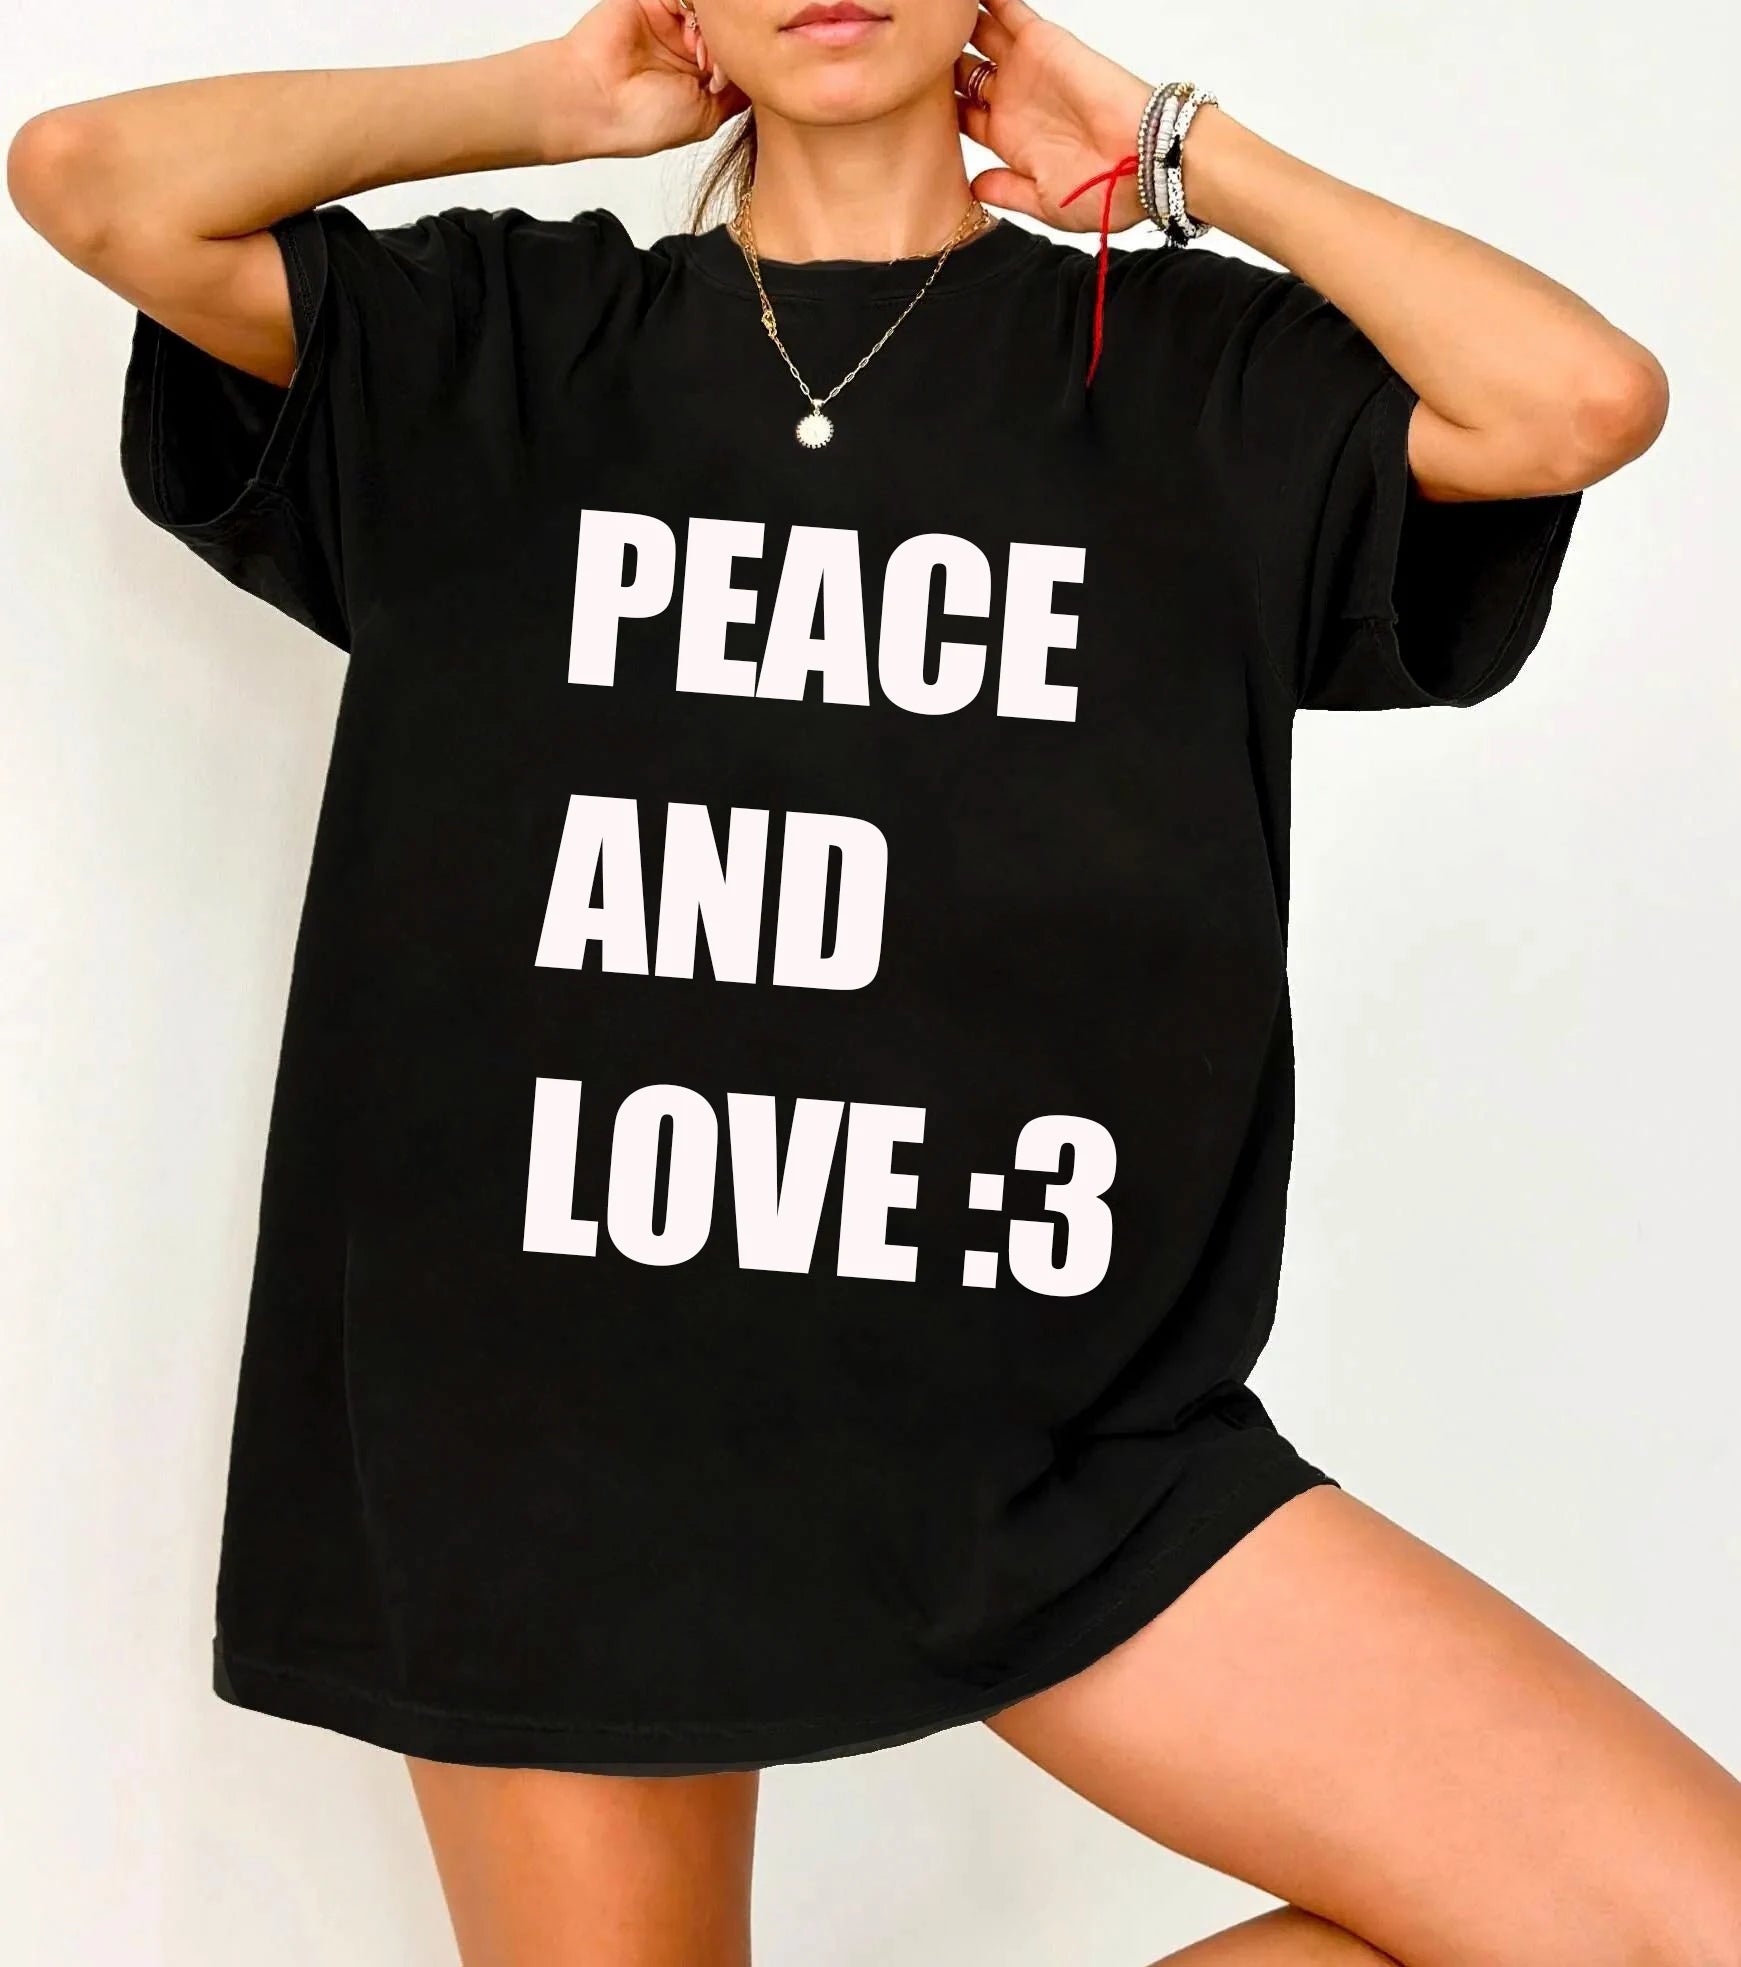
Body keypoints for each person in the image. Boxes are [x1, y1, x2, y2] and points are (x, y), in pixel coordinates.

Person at [10, 0, 1739, 1960]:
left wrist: (1179, 152)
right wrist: (545, 99)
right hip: (547, 1431)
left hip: (1053, 1438)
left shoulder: (1184, 372)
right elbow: (91, 180)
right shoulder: (501, 342)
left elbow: (1573, 400)